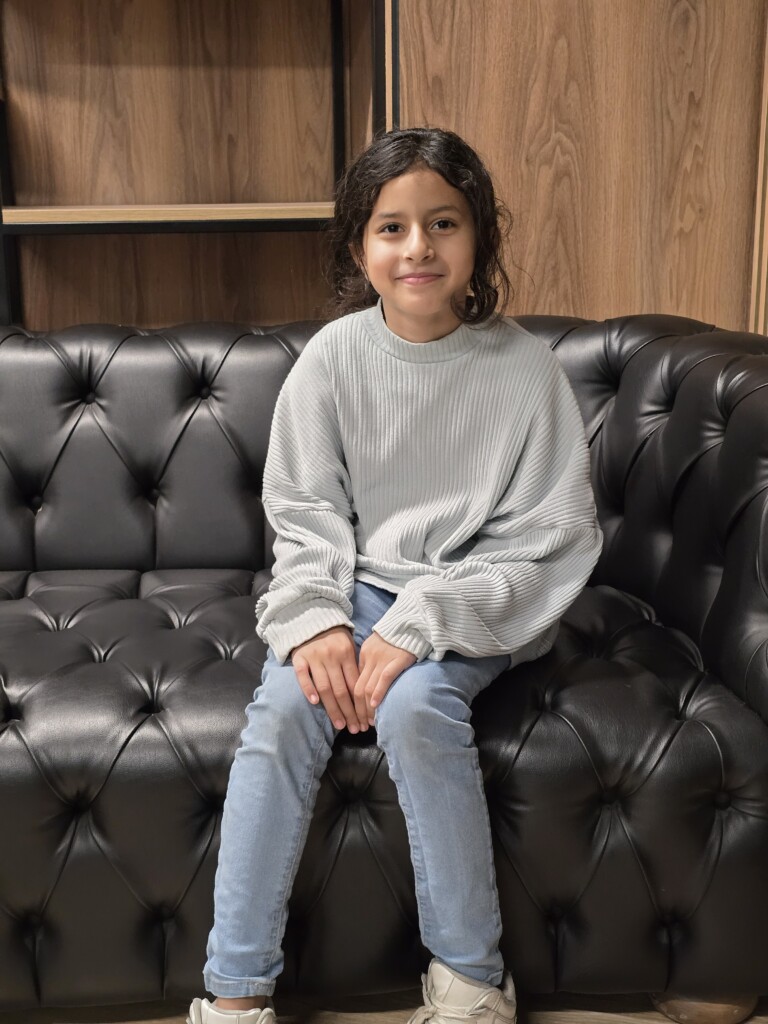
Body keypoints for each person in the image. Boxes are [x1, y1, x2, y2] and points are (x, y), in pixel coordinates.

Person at [186, 126, 603, 1024]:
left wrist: (423, 621)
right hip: (356, 590)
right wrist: (317, 622)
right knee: (283, 711)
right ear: (357, 245)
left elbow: (551, 541)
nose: (418, 247)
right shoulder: (330, 362)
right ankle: (234, 991)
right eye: (391, 227)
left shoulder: (528, 372)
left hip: (476, 599)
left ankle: (470, 985)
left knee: (417, 710)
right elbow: (302, 516)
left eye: (444, 223)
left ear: (480, 237)